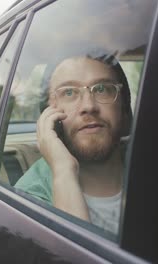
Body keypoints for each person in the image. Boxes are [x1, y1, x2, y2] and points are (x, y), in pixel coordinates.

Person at [15, 54, 132, 234]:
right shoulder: (28, 199)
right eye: (69, 92)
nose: (89, 106)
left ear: (124, 110)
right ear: (48, 116)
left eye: (101, 88)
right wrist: (63, 170)